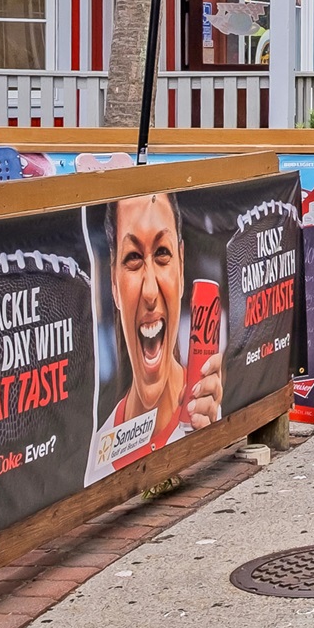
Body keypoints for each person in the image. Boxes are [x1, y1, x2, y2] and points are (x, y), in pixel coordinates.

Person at [88, 194, 222, 480]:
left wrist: (218, 430)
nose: (150, 292)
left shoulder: (209, 410)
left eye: (162, 253)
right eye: (133, 258)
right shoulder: (96, 465)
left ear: (182, 267)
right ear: (113, 283)